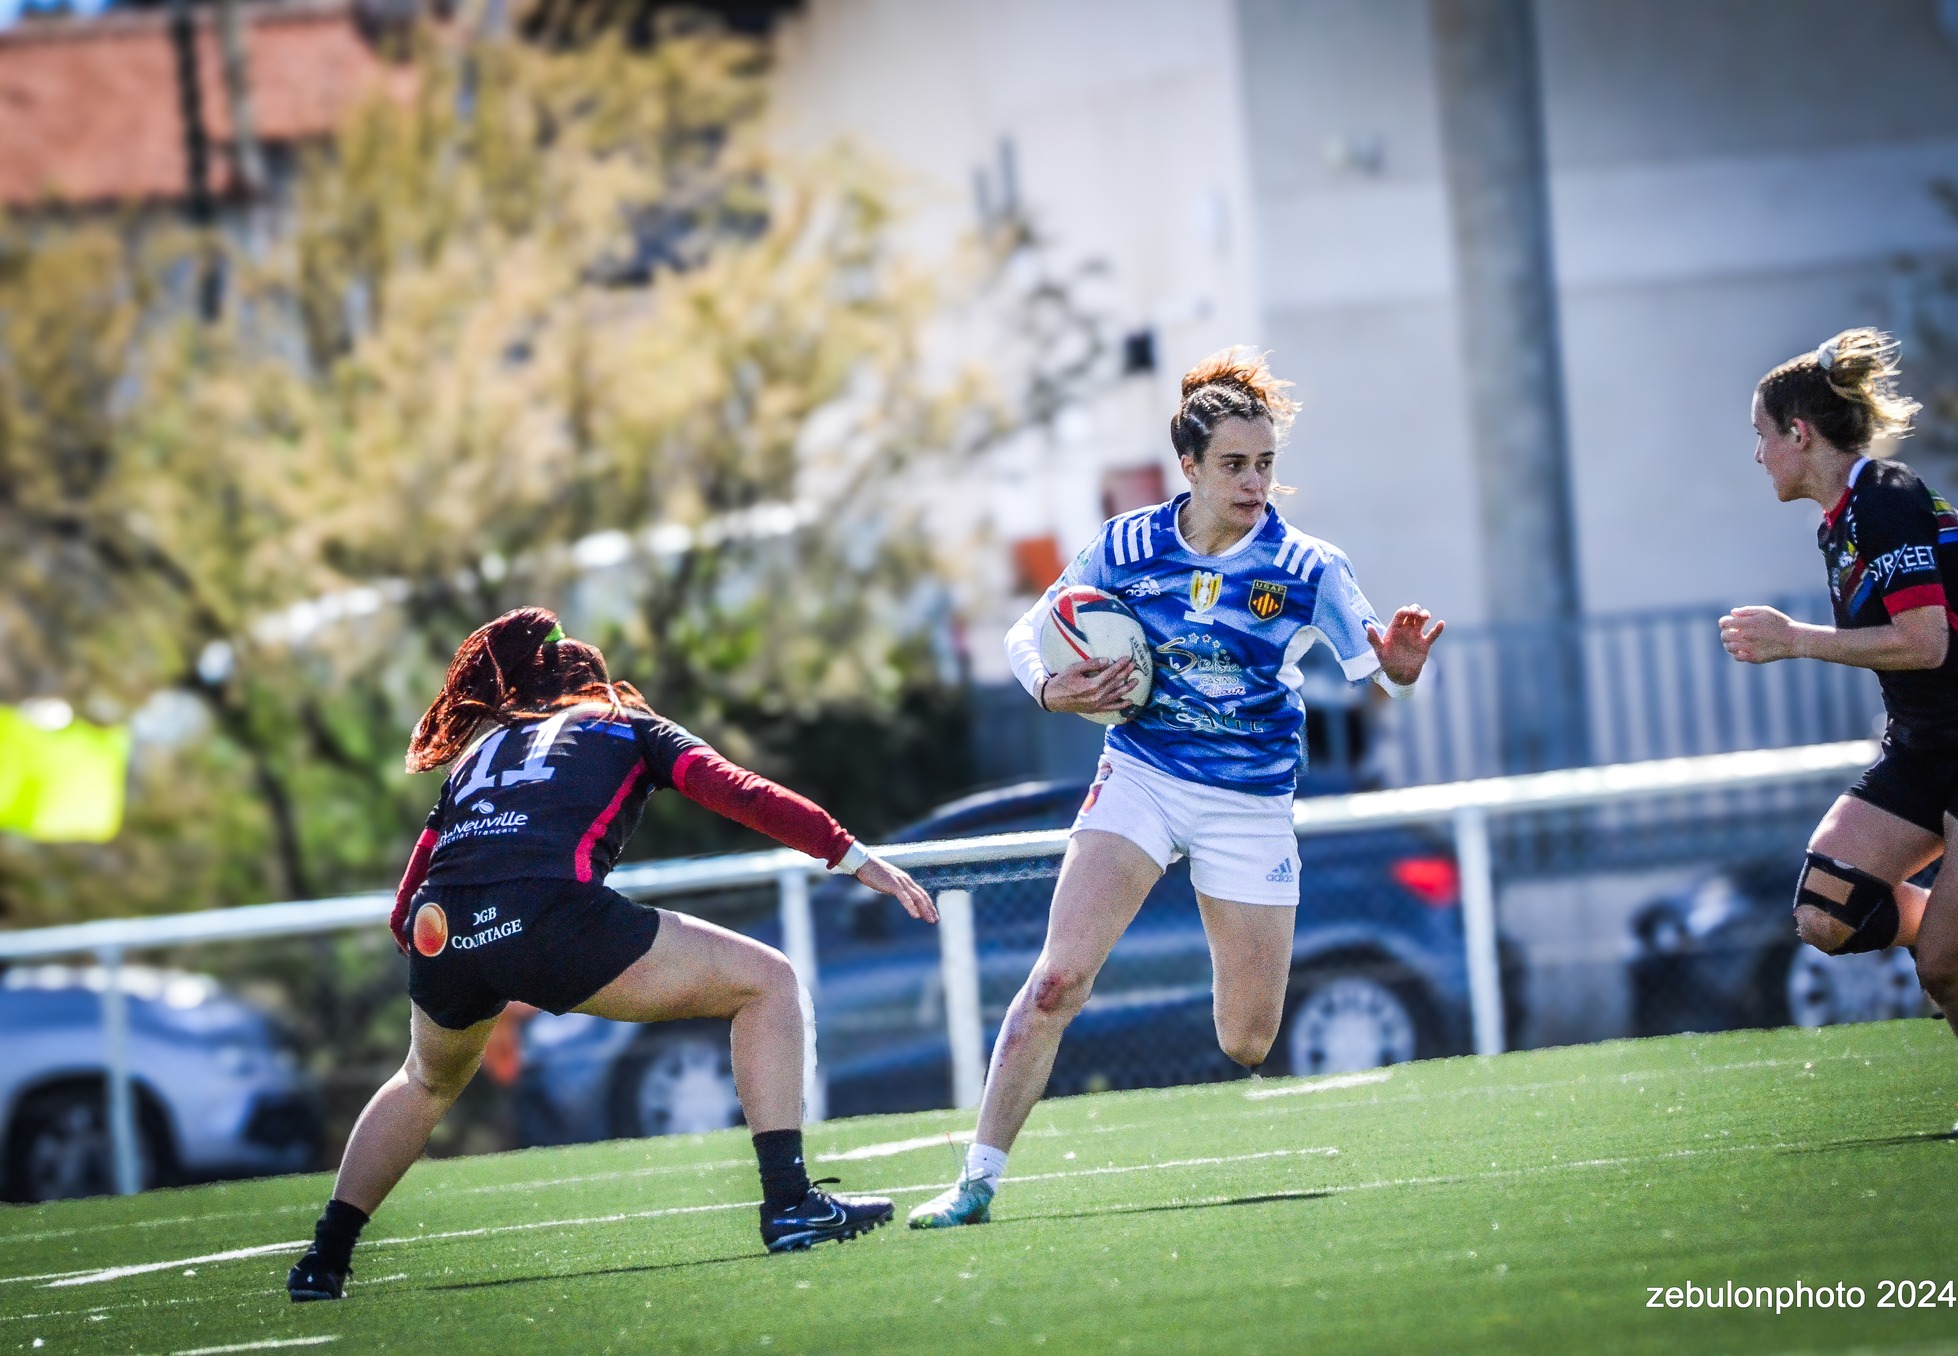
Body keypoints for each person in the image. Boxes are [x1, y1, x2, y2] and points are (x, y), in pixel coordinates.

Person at [908, 349, 1443, 1229]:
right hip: (1143, 776)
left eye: (1266, 464)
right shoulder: (1125, 545)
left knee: (1247, 1040)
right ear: (1188, 468)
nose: (1255, 482)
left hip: (1250, 802)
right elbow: (1024, 633)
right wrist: (1050, 687)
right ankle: (975, 1182)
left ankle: (1219, 919)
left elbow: (1381, 676)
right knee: (1055, 983)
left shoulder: (1309, 567)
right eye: (1234, 465)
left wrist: (1405, 669)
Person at [286, 607, 937, 1301]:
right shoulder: (628, 722)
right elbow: (739, 791)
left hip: (442, 931)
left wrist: (480, 963)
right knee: (768, 984)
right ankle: (790, 1203)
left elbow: (403, 906)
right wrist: (850, 853)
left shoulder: (480, 752)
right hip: (549, 914)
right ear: (595, 680)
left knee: (425, 1080)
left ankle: (322, 1261)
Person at [1720, 328, 1958, 1134]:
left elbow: (1924, 640)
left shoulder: (1886, 498)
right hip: (1922, 751)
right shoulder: (1839, 522)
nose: (1757, 455)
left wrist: (1793, 637)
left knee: (1940, 969)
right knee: (1824, 914)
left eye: (1761, 435)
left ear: (1800, 434)